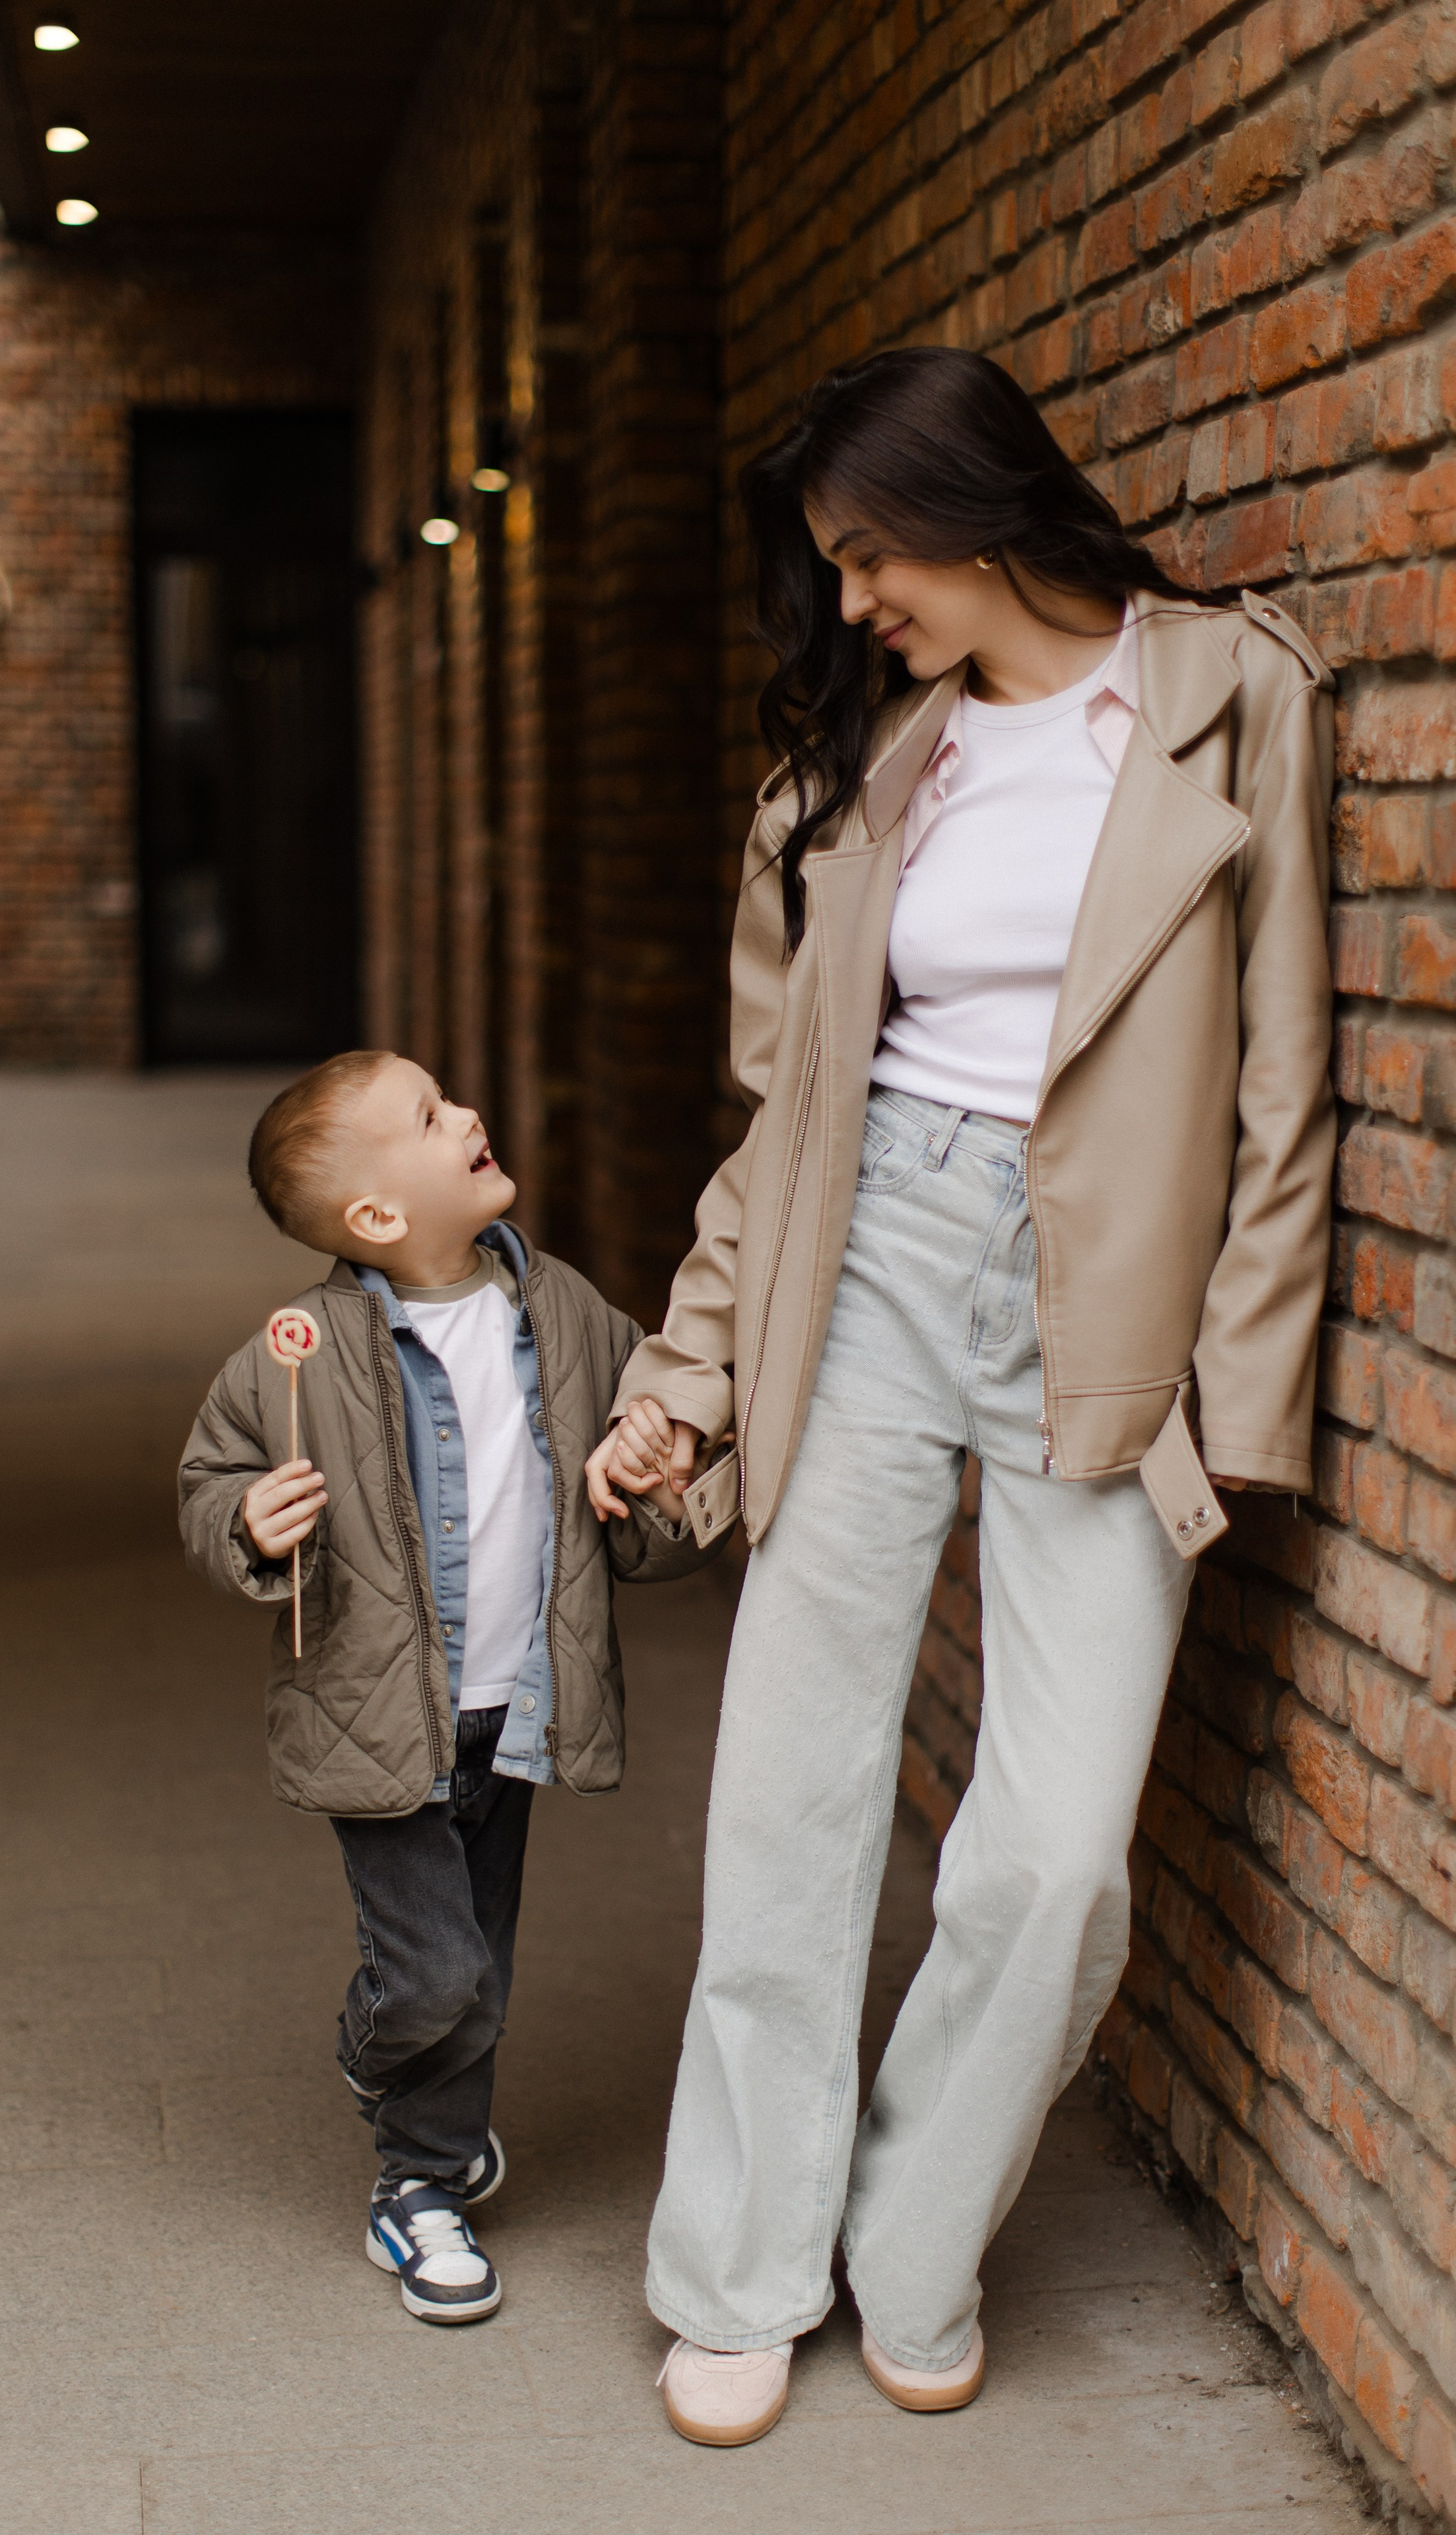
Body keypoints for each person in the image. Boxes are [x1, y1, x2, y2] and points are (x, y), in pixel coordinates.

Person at [585, 345, 1335, 2443]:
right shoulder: (854, 767)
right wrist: (692, 1378)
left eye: (863, 557)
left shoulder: (1225, 698)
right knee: (794, 1802)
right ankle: (738, 2270)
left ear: (964, 504)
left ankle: (914, 2242)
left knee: (1058, 1850)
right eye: (829, 573)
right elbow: (783, 1123)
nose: (849, 609)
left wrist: (1239, 1405)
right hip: (877, 1262)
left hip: (1112, 1306)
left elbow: (1284, 1100)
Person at [181, 1051, 733, 2326]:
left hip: (516, 1711)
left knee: (480, 1971)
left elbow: (642, 1517)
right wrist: (250, 1522)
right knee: (434, 1983)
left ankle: (425, 2172)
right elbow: (211, 1476)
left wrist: (653, 1466)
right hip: (376, 1722)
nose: (469, 1114)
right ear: (377, 1219)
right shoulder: (300, 1355)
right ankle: (394, 2094)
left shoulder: (573, 1317)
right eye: (431, 1119)